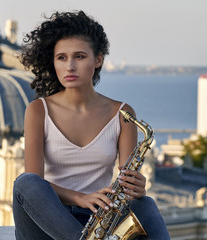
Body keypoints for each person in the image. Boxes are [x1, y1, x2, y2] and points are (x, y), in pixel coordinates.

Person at [12, 11, 170, 240]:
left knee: (145, 204)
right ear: (52, 61)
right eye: (62, 58)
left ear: (98, 60)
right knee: (25, 182)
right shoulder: (38, 110)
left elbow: (125, 191)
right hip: (45, 223)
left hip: (99, 219)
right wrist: (79, 197)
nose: (70, 67)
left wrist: (137, 187)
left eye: (79, 56)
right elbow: (35, 187)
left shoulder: (123, 114)